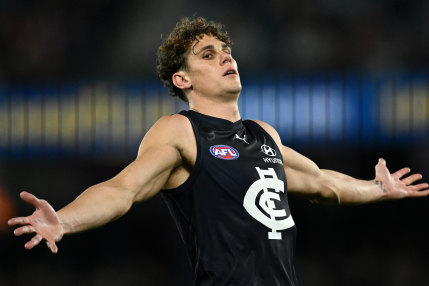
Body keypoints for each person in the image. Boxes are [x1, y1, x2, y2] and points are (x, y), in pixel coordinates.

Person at [8, 17, 429, 286]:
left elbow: (321, 182)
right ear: (183, 80)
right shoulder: (181, 131)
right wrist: (65, 219)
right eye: (208, 55)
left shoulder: (263, 134)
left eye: (226, 52)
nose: (226, 58)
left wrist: (376, 188)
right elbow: (124, 189)